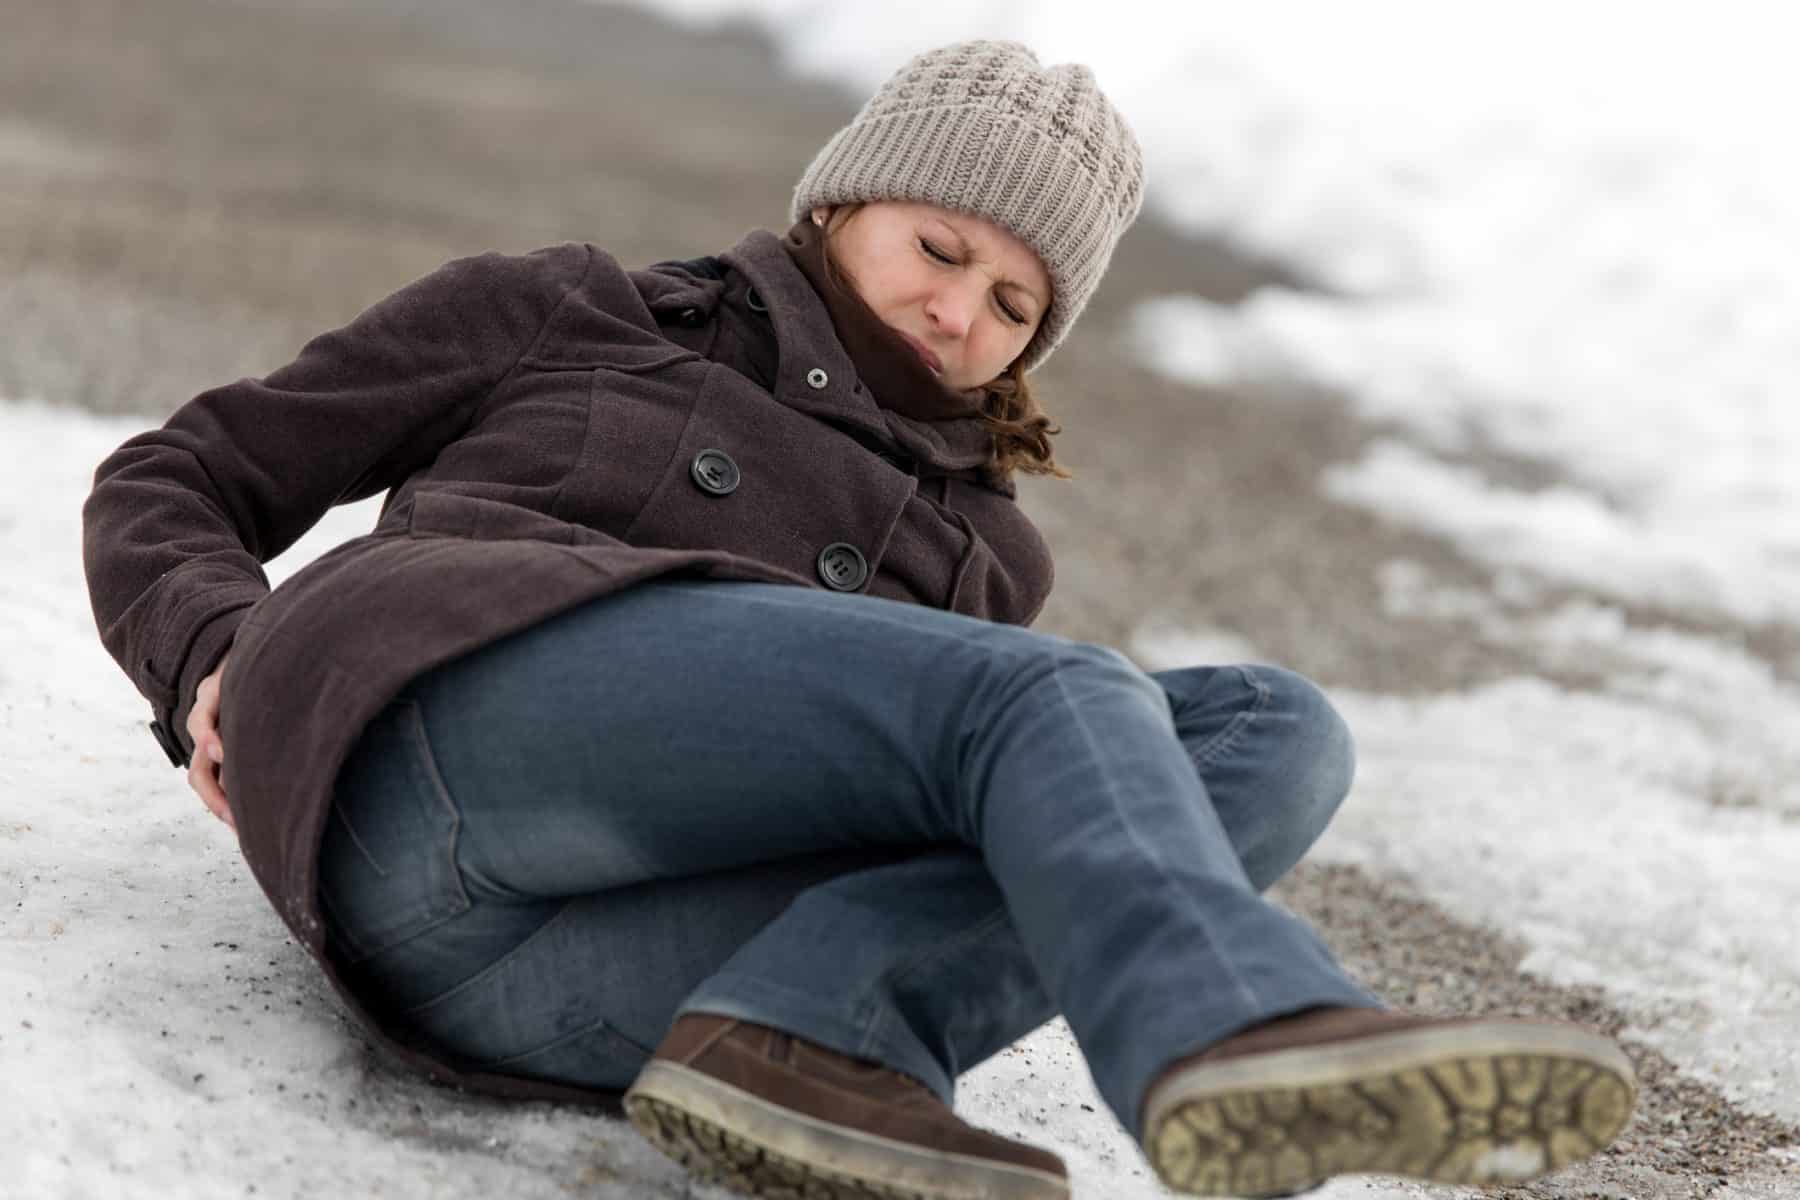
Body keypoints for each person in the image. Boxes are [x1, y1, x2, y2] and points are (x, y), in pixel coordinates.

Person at [82, 39, 1635, 1200]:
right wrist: (217, 645)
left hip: (566, 987)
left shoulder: (983, 560)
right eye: (941, 249)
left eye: (1016, 304)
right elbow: (178, 473)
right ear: (841, 204)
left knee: (1278, 736)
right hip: (423, 759)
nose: (963, 310)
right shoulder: (585, 311)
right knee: (1057, 703)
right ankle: (1232, 1026)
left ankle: (805, 1034)